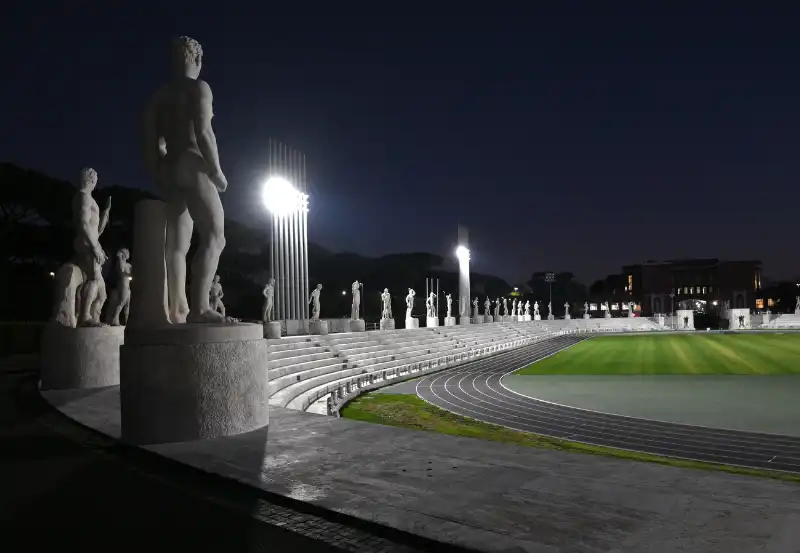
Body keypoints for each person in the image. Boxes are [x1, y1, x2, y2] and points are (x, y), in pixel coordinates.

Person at [142, 36, 231, 324]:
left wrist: (159, 170)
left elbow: (150, 141)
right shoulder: (199, 87)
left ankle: (177, 309)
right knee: (216, 237)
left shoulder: (160, 96)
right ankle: (200, 308)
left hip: (170, 167)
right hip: (192, 161)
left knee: (176, 247)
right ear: (198, 59)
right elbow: (204, 131)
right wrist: (216, 171)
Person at [73, 167, 111, 326]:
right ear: (90, 179)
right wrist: (95, 247)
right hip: (87, 243)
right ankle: (85, 317)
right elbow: (83, 224)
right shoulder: (83, 197)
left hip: (93, 242)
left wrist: (106, 212)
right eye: (95, 178)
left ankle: (94, 318)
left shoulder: (89, 198)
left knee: (102, 293)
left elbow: (98, 229)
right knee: (94, 279)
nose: (96, 181)